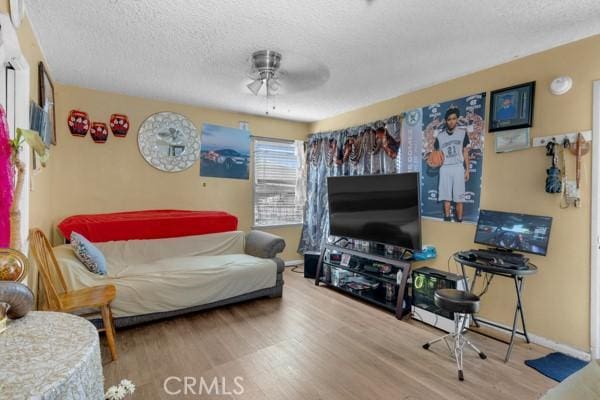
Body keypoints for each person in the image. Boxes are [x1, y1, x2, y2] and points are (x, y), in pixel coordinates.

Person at [434, 107, 471, 222]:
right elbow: (437, 154)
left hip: (458, 167)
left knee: (459, 198)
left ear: (457, 119)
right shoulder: (440, 136)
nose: (451, 121)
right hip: (445, 168)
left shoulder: (462, 133)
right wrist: (434, 161)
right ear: (446, 121)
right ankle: (447, 219)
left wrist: (467, 170)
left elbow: (465, 152)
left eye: (454, 119)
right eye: (449, 119)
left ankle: (459, 221)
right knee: (446, 198)